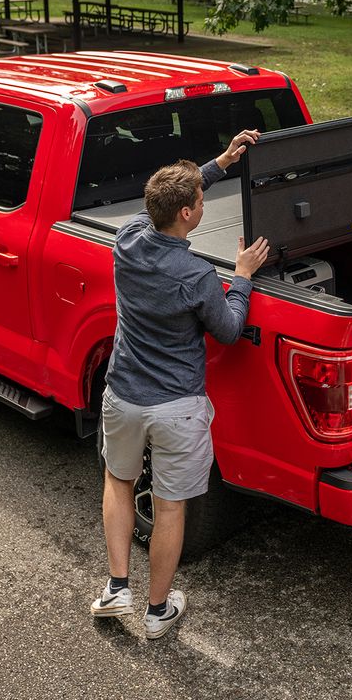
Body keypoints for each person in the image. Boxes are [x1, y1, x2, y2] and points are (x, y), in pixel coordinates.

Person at [90, 129, 269, 640]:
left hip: (123, 396)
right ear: (188, 214)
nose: (204, 203)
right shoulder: (196, 274)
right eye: (200, 200)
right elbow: (228, 331)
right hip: (177, 408)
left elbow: (167, 202)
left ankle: (117, 588)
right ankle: (156, 612)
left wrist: (221, 162)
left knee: (118, 482)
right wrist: (242, 277)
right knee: (170, 507)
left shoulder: (127, 239)